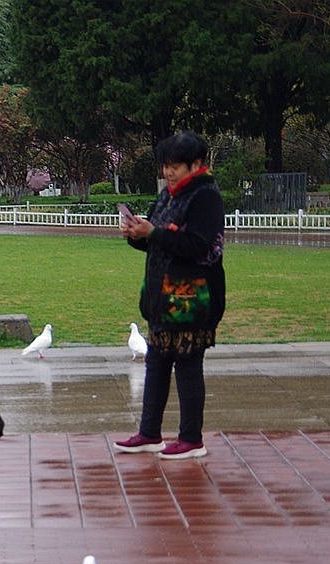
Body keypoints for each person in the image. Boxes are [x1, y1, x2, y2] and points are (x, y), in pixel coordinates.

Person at [115, 131, 226, 460]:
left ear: (196, 164)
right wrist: (136, 234)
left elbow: (200, 245)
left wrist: (155, 232)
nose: (168, 173)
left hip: (191, 297)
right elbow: (156, 239)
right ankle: (149, 433)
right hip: (161, 294)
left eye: (175, 166)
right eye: (165, 166)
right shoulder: (169, 196)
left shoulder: (205, 196)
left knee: (188, 364)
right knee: (157, 362)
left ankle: (192, 438)